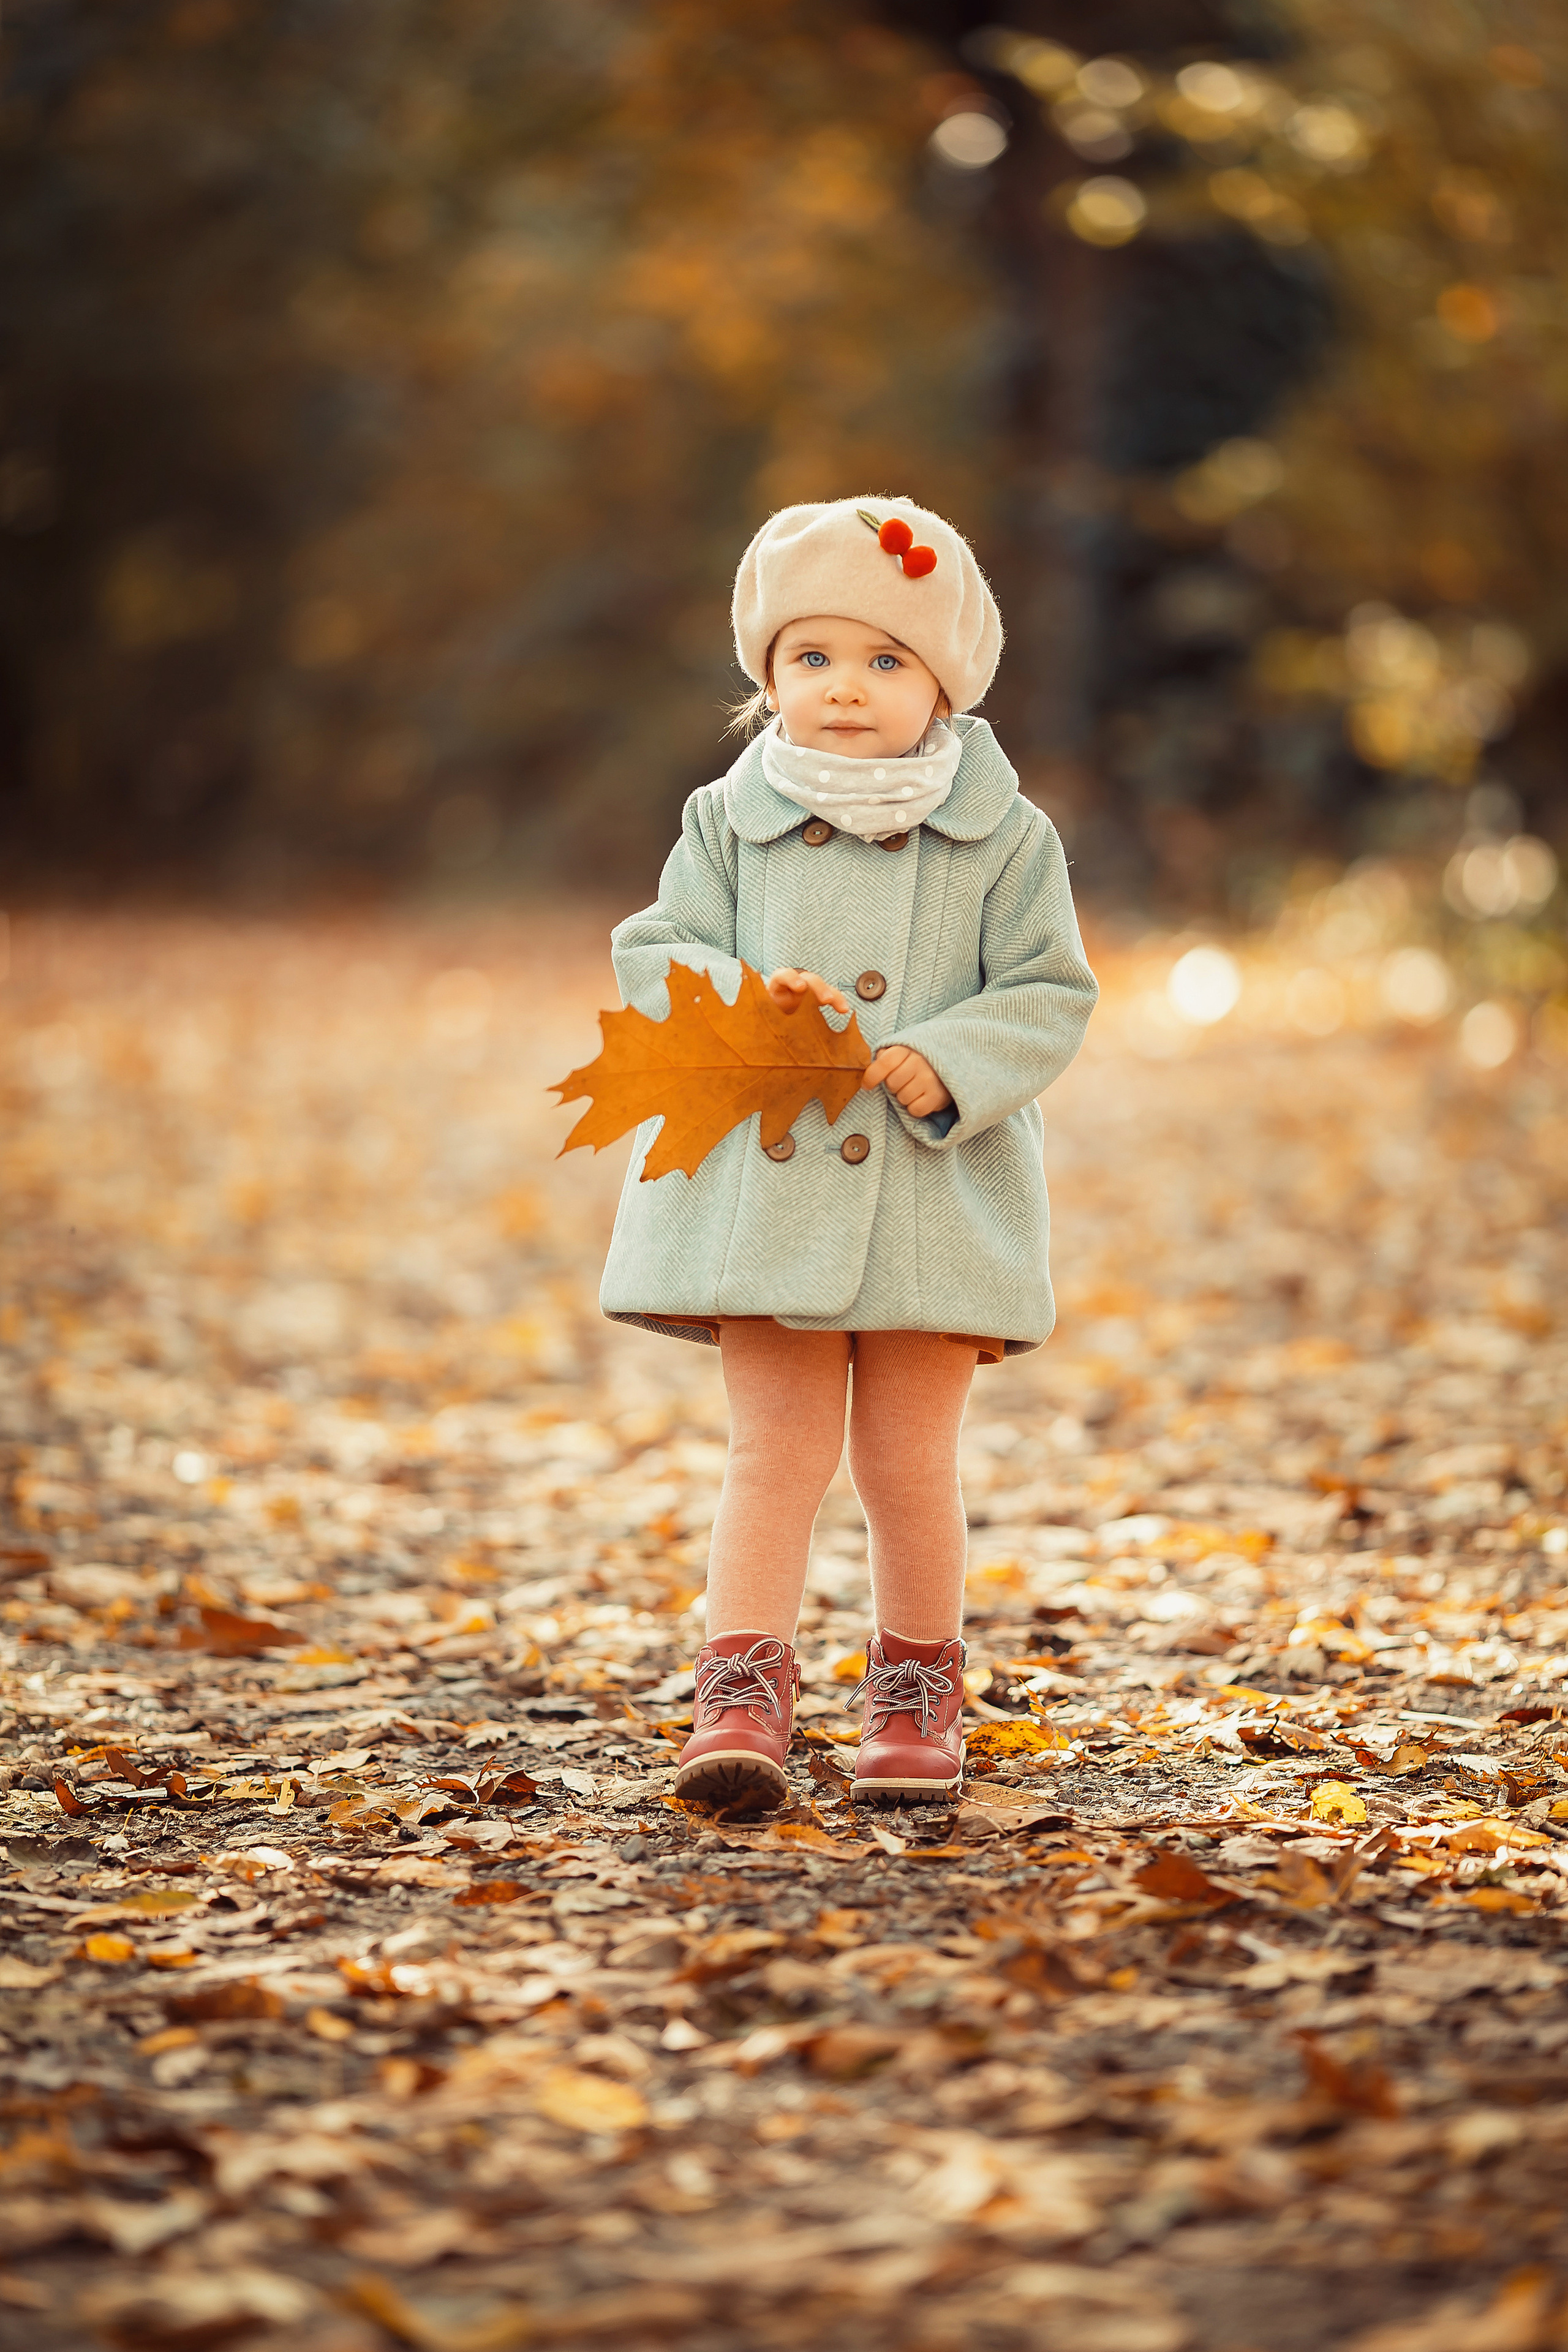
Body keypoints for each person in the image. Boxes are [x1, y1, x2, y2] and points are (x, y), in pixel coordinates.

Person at [600, 497, 1097, 1808]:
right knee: (772, 1450)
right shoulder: (727, 819)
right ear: (767, 676)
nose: (845, 687)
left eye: (885, 659)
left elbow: (1049, 989)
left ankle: (915, 1693)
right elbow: (656, 947)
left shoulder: (1006, 836)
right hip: (765, 1196)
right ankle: (739, 1692)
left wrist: (957, 1057)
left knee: (906, 1460)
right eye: (811, 657)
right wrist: (739, 998)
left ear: (944, 680)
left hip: (936, 1193)